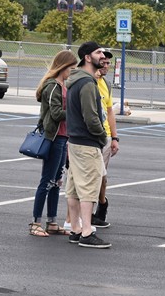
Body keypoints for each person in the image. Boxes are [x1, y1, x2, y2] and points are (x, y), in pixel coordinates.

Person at [64, 41, 111, 249]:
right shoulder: (87, 84)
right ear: (87, 57)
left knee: (74, 188)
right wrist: (102, 138)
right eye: (98, 52)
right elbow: (92, 118)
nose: (103, 56)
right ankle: (86, 232)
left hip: (74, 141)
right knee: (89, 188)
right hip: (86, 143)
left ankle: (75, 229)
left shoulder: (76, 80)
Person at [30, 50, 74, 238]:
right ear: (63, 67)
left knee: (57, 182)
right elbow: (56, 114)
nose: (72, 71)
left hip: (63, 137)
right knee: (47, 181)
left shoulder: (63, 85)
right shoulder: (52, 87)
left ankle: (52, 222)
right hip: (54, 137)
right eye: (71, 68)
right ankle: (35, 223)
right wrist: (75, 111)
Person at [92, 55, 119, 229]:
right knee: (92, 175)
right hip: (90, 136)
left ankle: (102, 204)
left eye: (109, 63)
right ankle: (89, 213)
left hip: (106, 137)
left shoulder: (106, 84)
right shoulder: (87, 82)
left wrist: (115, 137)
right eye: (103, 62)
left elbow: (110, 112)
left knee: (101, 176)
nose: (106, 66)